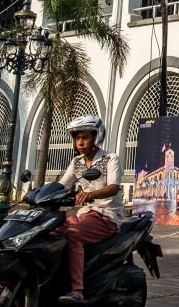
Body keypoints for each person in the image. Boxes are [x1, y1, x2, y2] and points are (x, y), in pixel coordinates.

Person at [55, 115, 124, 305]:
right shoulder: (76, 162)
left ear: (96, 137)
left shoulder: (110, 158)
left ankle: (77, 291)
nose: (80, 142)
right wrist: (36, 195)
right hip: (83, 214)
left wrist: (91, 195)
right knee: (51, 231)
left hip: (106, 214)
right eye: (77, 138)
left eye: (85, 137)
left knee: (73, 235)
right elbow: (62, 185)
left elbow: (113, 187)